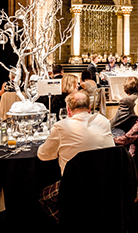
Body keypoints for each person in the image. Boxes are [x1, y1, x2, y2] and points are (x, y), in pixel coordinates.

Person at [37, 91, 115, 221]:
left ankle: (70, 225)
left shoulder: (61, 127)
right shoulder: (103, 121)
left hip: (74, 188)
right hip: (106, 184)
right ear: (89, 108)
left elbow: (43, 155)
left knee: (42, 198)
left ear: (68, 110)